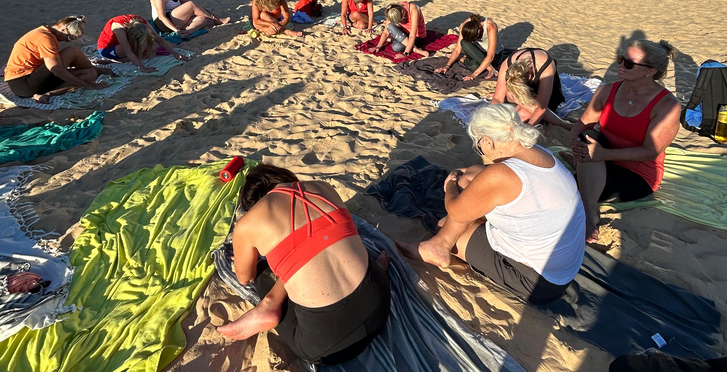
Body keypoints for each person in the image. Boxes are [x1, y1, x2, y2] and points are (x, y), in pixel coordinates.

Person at [397, 104, 585, 305]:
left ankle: (440, 245)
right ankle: (440, 244)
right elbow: (493, 175)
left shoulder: (500, 175)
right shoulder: (539, 152)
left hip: (537, 281)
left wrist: (451, 184)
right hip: (563, 264)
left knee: (445, 223)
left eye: (479, 145)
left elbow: (456, 211)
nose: (481, 150)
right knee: (469, 177)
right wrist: (468, 173)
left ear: (488, 140)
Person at [217, 164, 391, 365]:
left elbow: (244, 277)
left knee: (262, 273)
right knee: (330, 244)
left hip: (331, 344)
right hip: (380, 302)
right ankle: (375, 270)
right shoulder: (322, 187)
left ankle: (269, 305)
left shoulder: (247, 224)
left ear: (252, 205)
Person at [569, 40, 680, 243]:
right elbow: (582, 124)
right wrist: (575, 143)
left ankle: (589, 213)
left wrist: (602, 155)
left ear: (651, 71)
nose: (620, 65)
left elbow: (650, 151)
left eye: (629, 63)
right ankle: (586, 187)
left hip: (637, 173)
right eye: (621, 59)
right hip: (602, 157)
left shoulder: (667, 105)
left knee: (575, 187)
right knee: (588, 138)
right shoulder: (607, 91)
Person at [4, 15, 111, 104]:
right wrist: (89, 85)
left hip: (33, 78)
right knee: (72, 52)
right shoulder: (45, 38)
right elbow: (56, 69)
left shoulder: (45, 32)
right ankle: (95, 71)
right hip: (23, 83)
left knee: (90, 74)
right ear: (63, 29)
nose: (67, 41)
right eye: (68, 38)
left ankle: (49, 93)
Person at [491, 48, 571, 129]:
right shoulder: (507, 64)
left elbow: (541, 107)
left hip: (544, 94)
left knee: (523, 115)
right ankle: (563, 123)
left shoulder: (545, 68)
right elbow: (497, 98)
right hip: (522, 96)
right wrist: (490, 116)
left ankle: (563, 124)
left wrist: (528, 128)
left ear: (530, 76)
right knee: (509, 96)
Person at [97, 14, 188, 72]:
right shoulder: (119, 28)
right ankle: (112, 61)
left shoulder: (141, 22)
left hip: (127, 41)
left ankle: (116, 61)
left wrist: (175, 53)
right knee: (134, 52)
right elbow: (127, 51)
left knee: (149, 52)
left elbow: (158, 38)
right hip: (107, 48)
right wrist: (142, 67)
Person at [150, 0, 230, 37]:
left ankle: (188, 32)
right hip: (163, 23)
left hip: (176, 19)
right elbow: (161, 17)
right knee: (191, 4)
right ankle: (216, 20)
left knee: (202, 18)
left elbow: (194, 6)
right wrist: (176, 30)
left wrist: (206, 12)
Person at [435, 14, 503, 81]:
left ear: (478, 31)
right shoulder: (464, 26)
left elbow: (490, 56)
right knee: (463, 42)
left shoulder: (489, 26)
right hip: (475, 51)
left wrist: (474, 75)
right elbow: (457, 49)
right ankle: (489, 68)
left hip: (494, 55)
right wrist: (447, 66)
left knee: (474, 67)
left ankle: (463, 58)